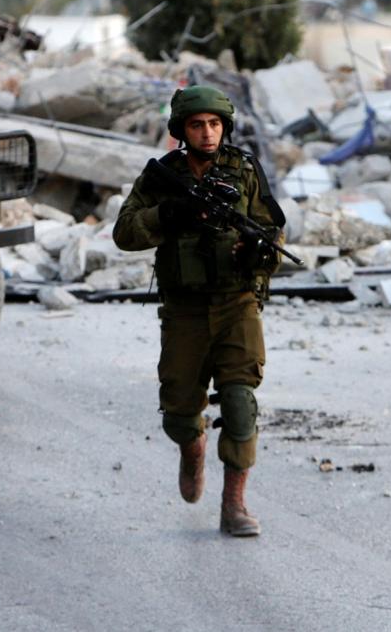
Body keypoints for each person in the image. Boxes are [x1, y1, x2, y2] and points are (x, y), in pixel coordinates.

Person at [112, 85, 284, 537]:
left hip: (236, 303)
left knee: (241, 402)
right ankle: (193, 450)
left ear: (224, 128)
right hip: (184, 310)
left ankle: (235, 505)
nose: (207, 134)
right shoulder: (162, 176)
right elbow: (125, 232)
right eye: (197, 125)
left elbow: (272, 233)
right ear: (182, 131)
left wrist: (259, 254)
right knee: (179, 414)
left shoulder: (244, 171)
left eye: (214, 124)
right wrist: (169, 214)